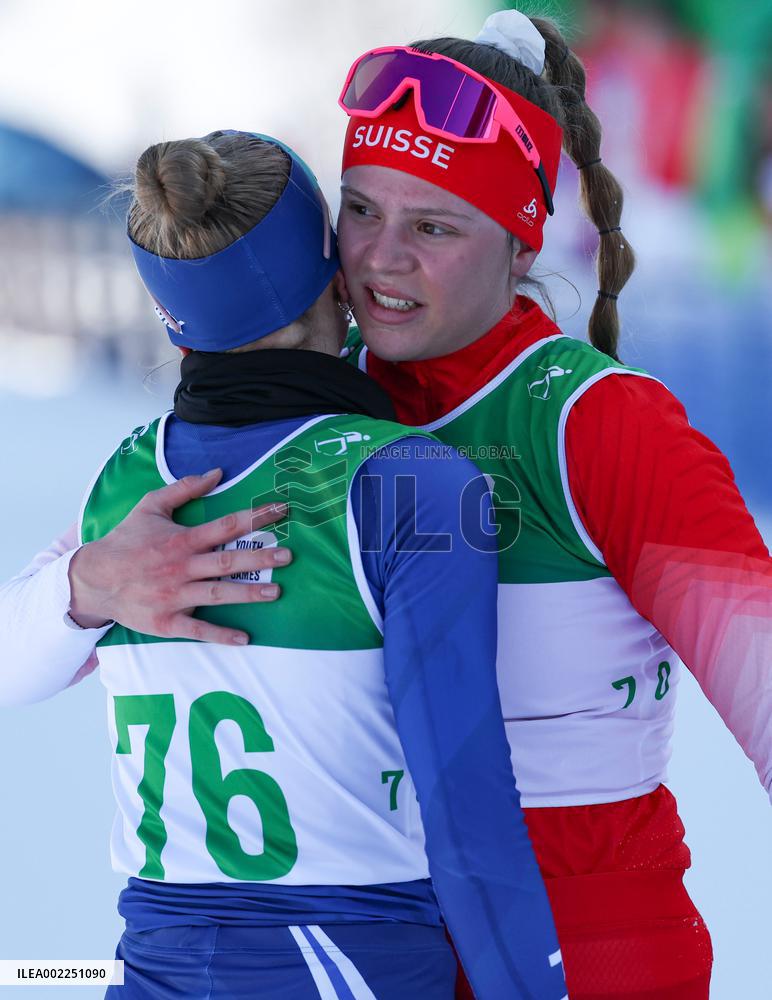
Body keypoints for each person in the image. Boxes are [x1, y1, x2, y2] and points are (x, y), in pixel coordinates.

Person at [2, 9, 770, 999]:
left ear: (519, 240)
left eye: (434, 226)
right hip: (368, 954)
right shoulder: (291, 410)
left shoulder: (598, 426)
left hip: (580, 948)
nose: (380, 259)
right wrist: (88, 582)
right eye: (361, 210)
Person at [2, 127, 568, 999]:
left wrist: (80, 586)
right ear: (336, 277)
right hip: (350, 960)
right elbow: (468, 811)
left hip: (153, 963)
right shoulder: (413, 482)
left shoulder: (121, 485)